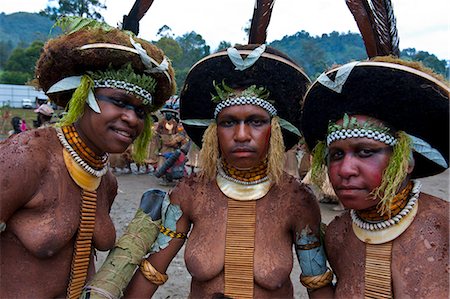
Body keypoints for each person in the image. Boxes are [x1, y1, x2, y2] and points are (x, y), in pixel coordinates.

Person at [122, 44, 332, 298]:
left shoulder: (297, 200)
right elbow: (152, 269)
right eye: (228, 122)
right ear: (213, 132)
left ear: (274, 130)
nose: (241, 135)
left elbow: (317, 283)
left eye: (256, 121)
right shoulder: (190, 193)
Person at [0, 16, 175, 298]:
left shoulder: (106, 181)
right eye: (119, 102)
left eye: (141, 112)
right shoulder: (27, 157)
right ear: (83, 96)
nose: (131, 118)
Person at [301, 57, 449, 298]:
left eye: (365, 151)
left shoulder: (445, 226)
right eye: (336, 154)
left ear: (406, 160)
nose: (345, 169)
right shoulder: (338, 235)